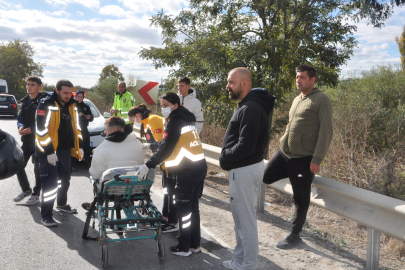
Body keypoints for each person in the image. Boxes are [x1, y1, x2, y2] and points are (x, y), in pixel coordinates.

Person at [263, 65, 333, 249]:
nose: (298, 80)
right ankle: (295, 176)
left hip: (303, 158)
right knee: (266, 176)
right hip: (284, 153)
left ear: (312, 80)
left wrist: (317, 158)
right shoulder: (297, 99)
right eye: (297, 77)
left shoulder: (321, 99)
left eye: (302, 77)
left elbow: (326, 131)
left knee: (301, 199)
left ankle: (295, 235)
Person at [137, 92, 207, 257]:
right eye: (161, 105)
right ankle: (195, 244)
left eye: (166, 105)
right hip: (199, 167)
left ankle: (184, 247)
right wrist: (152, 145)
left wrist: (148, 164)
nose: (163, 109)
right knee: (193, 208)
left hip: (186, 170)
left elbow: (166, 148)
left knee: (184, 210)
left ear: (175, 105)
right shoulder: (186, 119)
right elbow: (171, 142)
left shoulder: (174, 121)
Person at [220, 67, 275, 270]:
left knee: (245, 221)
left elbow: (246, 145)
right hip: (245, 168)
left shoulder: (251, 108)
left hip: (244, 169)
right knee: (241, 220)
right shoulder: (248, 105)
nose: (228, 86)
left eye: (231, 82)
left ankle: (248, 265)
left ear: (244, 83)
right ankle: (240, 261)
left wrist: (225, 158)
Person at [35, 79, 83, 227]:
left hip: (65, 151)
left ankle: (61, 204)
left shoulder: (73, 105)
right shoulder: (46, 104)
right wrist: (49, 151)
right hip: (48, 151)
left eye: (71, 93)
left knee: (64, 180)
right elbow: (40, 129)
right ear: (57, 91)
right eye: (65, 93)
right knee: (50, 185)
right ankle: (46, 216)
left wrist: (79, 146)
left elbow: (77, 127)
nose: (69, 96)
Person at [128, 104, 178, 233]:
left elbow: (163, 145)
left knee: (171, 192)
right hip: (163, 162)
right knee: (166, 191)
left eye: (134, 119)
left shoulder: (153, 120)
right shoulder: (147, 122)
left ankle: (173, 222)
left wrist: (150, 149)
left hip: (169, 161)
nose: (135, 122)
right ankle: (166, 217)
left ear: (138, 115)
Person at [13, 77, 47, 205]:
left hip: (40, 141)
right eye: (28, 84)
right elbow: (19, 117)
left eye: (32, 85)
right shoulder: (25, 101)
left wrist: (32, 129)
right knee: (18, 165)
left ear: (39, 87)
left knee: (38, 170)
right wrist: (20, 126)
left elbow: (47, 122)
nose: (29, 87)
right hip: (26, 141)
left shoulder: (43, 102)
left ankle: (36, 194)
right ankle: (26, 189)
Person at [89, 116, 145, 180]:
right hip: (135, 186)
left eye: (107, 129)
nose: (105, 132)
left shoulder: (101, 148)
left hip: (112, 188)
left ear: (114, 129)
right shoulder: (138, 144)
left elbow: (95, 175)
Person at [74, 89, 93, 168]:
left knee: (86, 146)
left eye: (81, 97)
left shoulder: (86, 107)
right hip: (74, 129)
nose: (80, 98)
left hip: (84, 129)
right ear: (76, 96)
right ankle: (74, 163)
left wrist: (89, 117)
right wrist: (78, 115)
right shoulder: (72, 106)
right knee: (75, 146)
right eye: (78, 97)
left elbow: (92, 118)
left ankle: (87, 162)